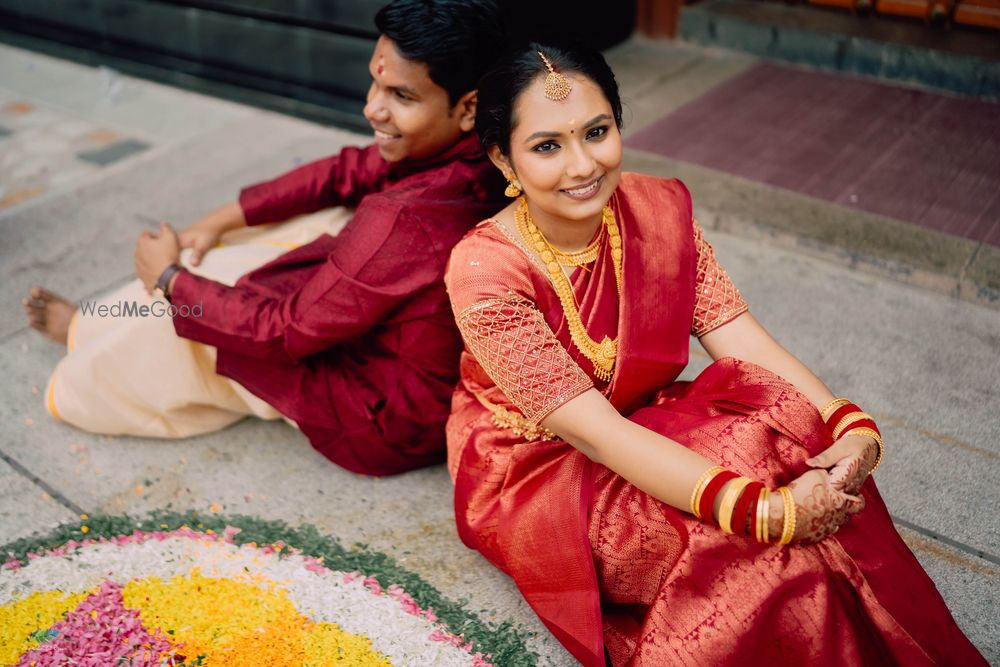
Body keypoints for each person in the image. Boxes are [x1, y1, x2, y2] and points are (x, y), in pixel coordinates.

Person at [443, 44, 987, 666]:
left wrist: (847, 423)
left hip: (641, 418)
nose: (582, 164)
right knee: (750, 546)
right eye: (547, 146)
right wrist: (764, 511)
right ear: (500, 157)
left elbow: (741, 338)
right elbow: (597, 436)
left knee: (788, 428)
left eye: (597, 132)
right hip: (541, 471)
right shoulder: (486, 269)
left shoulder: (654, 212)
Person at [21, 0, 506, 476]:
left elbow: (282, 332)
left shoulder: (405, 217)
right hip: (407, 363)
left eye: (402, 97)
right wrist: (219, 220)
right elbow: (345, 172)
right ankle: (112, 318)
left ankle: (85, 348)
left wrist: (167, 278)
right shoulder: (488, 151)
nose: (370, 108)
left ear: (468, 108)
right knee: (269, 235)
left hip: (382, 421)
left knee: (184, 319)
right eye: (375, 83)